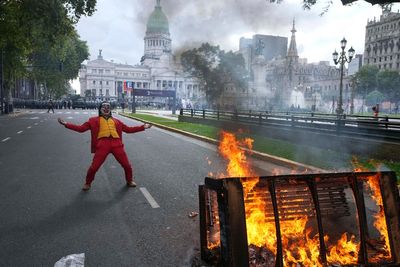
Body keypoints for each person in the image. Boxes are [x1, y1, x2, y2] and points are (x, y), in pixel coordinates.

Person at [58, 101, 152, 191]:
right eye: (104, 107)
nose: (106, 109)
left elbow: (128, 129)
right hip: (103, 144)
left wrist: (143, 127)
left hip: (117, 144)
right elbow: (81, 129)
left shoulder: (117, 121)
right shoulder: (93, 120)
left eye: (108, 107)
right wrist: (66, 124)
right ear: (100, 109)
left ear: (110, 109)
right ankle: (88, 182)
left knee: (127, 165)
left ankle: (129, 180)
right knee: (94, 167)